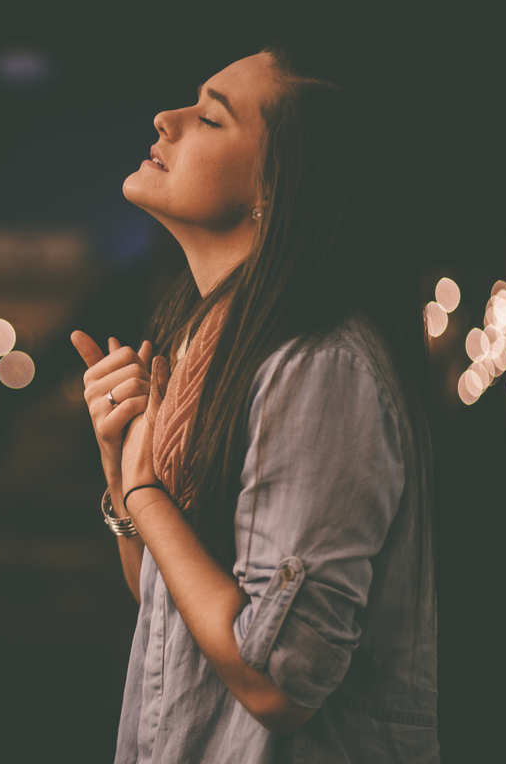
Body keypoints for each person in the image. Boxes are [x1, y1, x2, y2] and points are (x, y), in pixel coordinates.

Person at [71, 41, 439, 762]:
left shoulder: (320, 367)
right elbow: (165, 600)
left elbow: (279, 682)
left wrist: (145, 490)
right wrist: (123, 471)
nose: (165, 118)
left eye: (211, 119)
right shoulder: (211, 342)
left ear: (277, 186)